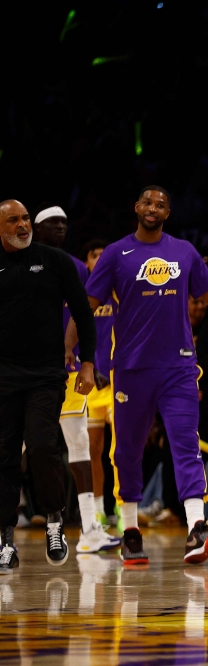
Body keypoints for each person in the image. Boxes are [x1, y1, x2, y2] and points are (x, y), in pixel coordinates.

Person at [86, 186, 208, 567]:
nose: (153, 208)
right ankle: (130, 531)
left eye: (161, 204)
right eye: (147, 202)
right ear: (136, 207)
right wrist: (80, 355)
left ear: (168, 212)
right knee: (127, 451)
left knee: (186, 443)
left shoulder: (183, 251)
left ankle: (196, 527)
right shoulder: (117, 253)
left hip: (179, 367)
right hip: (132, 369)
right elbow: (87, 308)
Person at [0, 199, 96, 571]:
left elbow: (83, 313)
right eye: (14, 220)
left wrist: (87, 363)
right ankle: (6, 538)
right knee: (5, 455)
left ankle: (54, 520)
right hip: (3, 377)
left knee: (42, 446)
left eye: (26, 218)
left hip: (46, 374)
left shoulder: (55, 262)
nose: (23, 225)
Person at [32, 205, 119, 553]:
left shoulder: (77, 267)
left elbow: (87, 319)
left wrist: (88, 361)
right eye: (54, 224)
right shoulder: (17, 265)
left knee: (80, 445)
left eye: (65, 224)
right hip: (26, 374)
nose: (61, 229)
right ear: (37, 229)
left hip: (67, 374)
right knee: (16, 449)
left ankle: (90, 529)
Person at [80, 239, 114, 526]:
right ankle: (99, 512)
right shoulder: (81, 295)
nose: (100, 258)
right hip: (91, 385)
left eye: (104, 254)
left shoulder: (120, 291)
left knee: (125, 449)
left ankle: (127, 506)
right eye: (94, 254)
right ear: (87, 261)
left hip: (118, 382)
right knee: (93, 452)